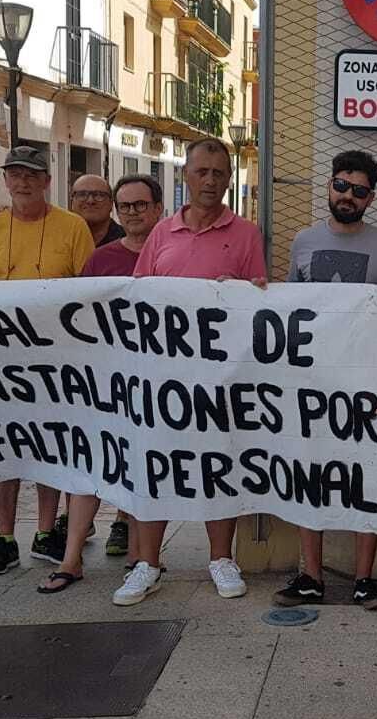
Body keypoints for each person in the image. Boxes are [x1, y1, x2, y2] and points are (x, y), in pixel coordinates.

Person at [113, 138, 266, 607]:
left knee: (219, 467)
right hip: (163, 377)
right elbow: (138, 295)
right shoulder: (161, 234)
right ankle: (148, 563)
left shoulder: (245, 234)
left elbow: (260, 297)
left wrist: (243, 290)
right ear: (185, 176)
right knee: (156, 467)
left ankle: (221, 558)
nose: (211, 181)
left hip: (220, 379)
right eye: (202, 172)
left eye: (220, 173)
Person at [272, 151, 377, 611]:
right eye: (341, 186)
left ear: (371, 197)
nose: (348, 196)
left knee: (364, 477)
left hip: (366, 385)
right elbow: (289, 309)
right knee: (309, 473)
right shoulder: (303, 242)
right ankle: (310, 575)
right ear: (329, 186)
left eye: (359, 190)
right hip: (312, 382)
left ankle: (364, 579)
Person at [0, 146, 95, 578]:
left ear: (46, 181)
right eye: (14, 175)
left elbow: (86, 291)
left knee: (52, 443)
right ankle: (4, 537)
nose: (21, 183)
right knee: (2, 444)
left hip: (59, 362)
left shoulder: (73, 227)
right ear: (6, 181)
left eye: (31, 176)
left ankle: (44, 531)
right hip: (3, 361)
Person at [37, 173, 166, 593]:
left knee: (146, 468)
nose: (132, 212)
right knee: (89, 469)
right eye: (124, 206)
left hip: (158, 383)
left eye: (140, 205)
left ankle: (139, 557)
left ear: (157, 209)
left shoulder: (173, 255)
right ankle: (71, 558)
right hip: (104, 383)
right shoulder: (101, 259)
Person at [70, 173, 125, 247]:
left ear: (111, 203)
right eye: (82, 194)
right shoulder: (59, 237)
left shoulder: (128, 241)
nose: (90, 201)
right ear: (72, 202)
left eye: (99, 195)